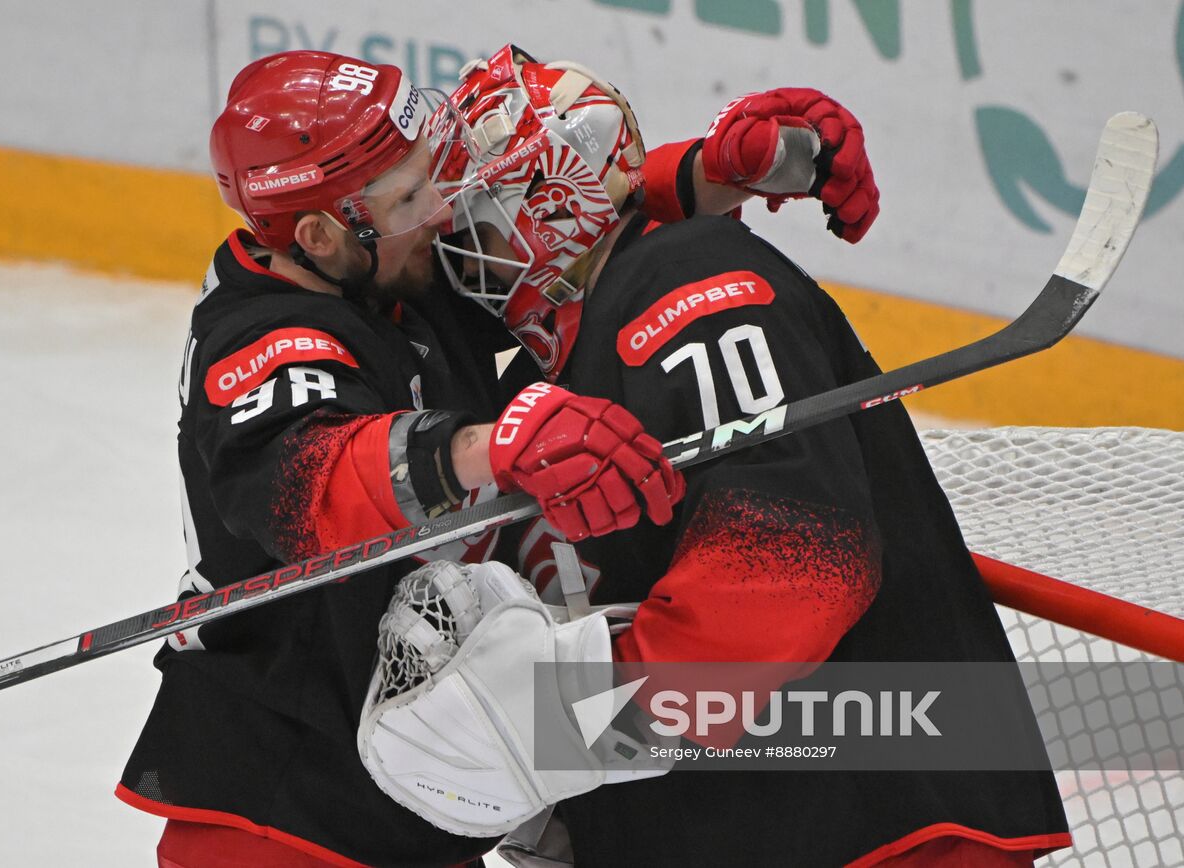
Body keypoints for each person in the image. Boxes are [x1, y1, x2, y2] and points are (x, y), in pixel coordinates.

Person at [116, 48, 881, 867]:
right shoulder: (262, 342)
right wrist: (488, 450)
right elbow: (313, 481)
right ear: (320, 233)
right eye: (412, 194)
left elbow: (512, 233)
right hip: (279, 821)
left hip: (402, 805)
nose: (443, 210)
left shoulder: (378, 266)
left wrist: (698, 175)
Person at [375, 45, 1071, 866]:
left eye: (476, 217)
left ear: (549, 204)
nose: (453, 244)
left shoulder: (683, 281)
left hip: (881, 828)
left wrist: (571, 727)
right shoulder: (555, 367)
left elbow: (793, 562)